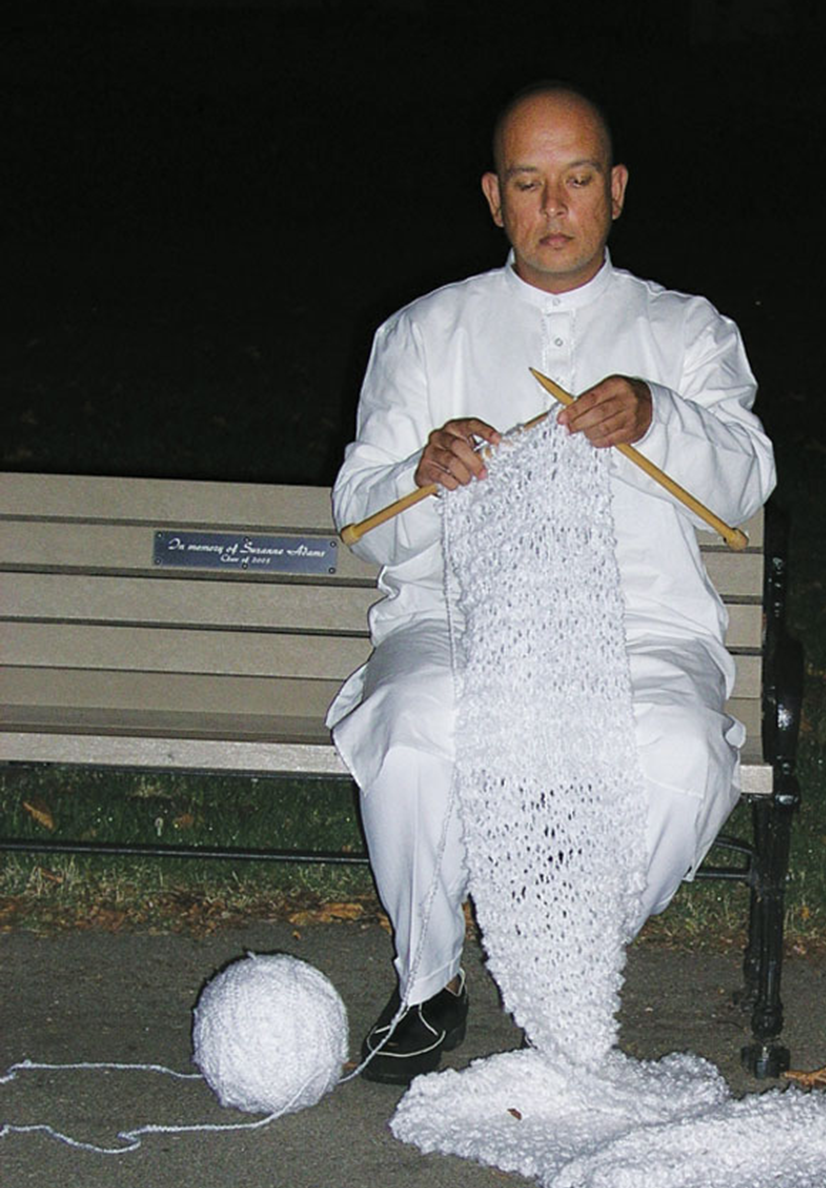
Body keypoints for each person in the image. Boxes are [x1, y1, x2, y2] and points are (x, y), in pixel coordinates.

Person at [328, 83, 776, 1084]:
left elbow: (747, 477)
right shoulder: (424, 332)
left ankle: (558, 953)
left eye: (577, 179)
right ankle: (427, 982)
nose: (555, 207)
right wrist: (423, 473)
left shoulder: (686, 330)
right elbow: (359, 515)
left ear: (615, 189)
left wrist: (657, 416)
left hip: (638, 629)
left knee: (680, 755)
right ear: (495, 198)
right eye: (528, 184)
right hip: (459, 621)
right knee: (412, 722)